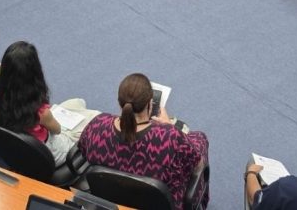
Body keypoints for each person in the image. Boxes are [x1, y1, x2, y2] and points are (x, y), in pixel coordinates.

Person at [78, 73, 209, 210]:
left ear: (119, 103)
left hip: (111, 200)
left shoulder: (97, 125)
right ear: (150, 104)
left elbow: (82, 149)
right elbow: (197, 164)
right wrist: (170, 126)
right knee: (200, 138)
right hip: (163, 204)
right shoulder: (170, 138)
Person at [0, 41, 100, 165]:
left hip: (12, 149)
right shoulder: (40, 112)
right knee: (93, 118)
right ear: (35, 72)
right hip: (49, 154)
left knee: (77, 103)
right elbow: (57, 130)